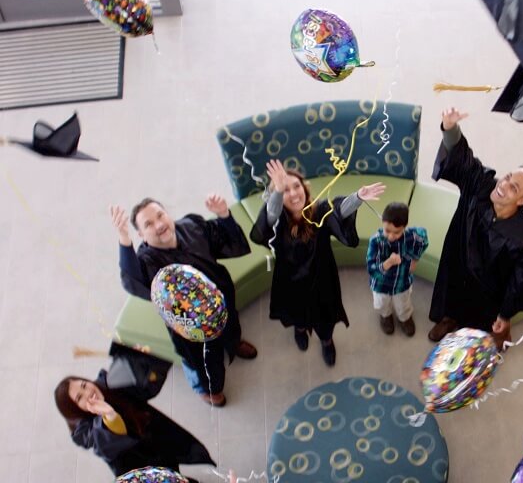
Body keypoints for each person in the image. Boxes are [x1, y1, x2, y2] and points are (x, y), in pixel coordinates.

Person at [110, 194, 258, 407]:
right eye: (149, 224)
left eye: (160, 215)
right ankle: (209, 390)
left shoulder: (192, 226)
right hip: (191, 328)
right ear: (141, 235)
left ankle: (233, 344)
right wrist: (124, 238)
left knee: (231, 327)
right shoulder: (147, 261)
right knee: (204, 362)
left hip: (220, 301)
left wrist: (223, 214)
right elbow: (132, 279)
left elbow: (227, 242)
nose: (159, 224)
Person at [428, 107, 523, 349]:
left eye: (514, 188)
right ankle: (448, 320)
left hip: (487, 287)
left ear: (522, 200)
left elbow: (520, 281)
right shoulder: (482, 184)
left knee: (480, 322)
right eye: (508, 177)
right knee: (451, 294)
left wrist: (505, 315)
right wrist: (450, 128)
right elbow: (464, 160)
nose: (504, 185)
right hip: (458, 260)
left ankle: (473, 342)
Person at [250, 159, 386, 366]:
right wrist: (277, 190)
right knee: (297, 314)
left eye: (297, 186)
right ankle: (301, 329)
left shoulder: (319, 212)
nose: (294, 193)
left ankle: (326, 341)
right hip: (291, 282)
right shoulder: (279, 223)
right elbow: (269, 218)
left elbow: (339, 211)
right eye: (286, 190)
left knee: (326, 317)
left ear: (304, 188)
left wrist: (357, 198)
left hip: (323, 279)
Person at [54, 372, 214, 480]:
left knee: (172, 467)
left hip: (156, 445)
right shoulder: (86, 433)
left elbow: (145, 384)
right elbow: (103, 440)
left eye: (84, 385)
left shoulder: (108, 384)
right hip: (141, 470)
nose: (88, 392)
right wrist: (109, 415)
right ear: (74, 410)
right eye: (79, 397)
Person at [366, 202, 429, 336]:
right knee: (382, 304)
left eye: (397, 232)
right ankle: (386, 316)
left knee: (403, 304)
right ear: (383, 222)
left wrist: (415, 259)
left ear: (404, 228)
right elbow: (371, 270)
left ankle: (405, 318)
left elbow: (423, 239)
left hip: (402, 282)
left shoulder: (411, 236)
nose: (391, 236)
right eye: (387, 230)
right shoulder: (375, 241)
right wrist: (387, 263)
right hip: (381, 285)